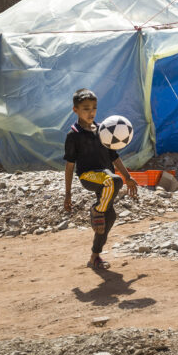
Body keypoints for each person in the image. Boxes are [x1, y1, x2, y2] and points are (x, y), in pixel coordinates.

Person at [63, 88, 138, 269]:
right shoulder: (73, 134)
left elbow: (114, 157)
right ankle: (97, 209)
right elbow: (70, 166)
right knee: (114, 181)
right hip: (89, 176)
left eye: (94, 108)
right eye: (86, 108)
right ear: (76, 110)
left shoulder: (104, 130)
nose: (91, 112)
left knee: (109, 217)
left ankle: (94, 256)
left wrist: (128, 177)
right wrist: (67, 194)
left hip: (106, 178)